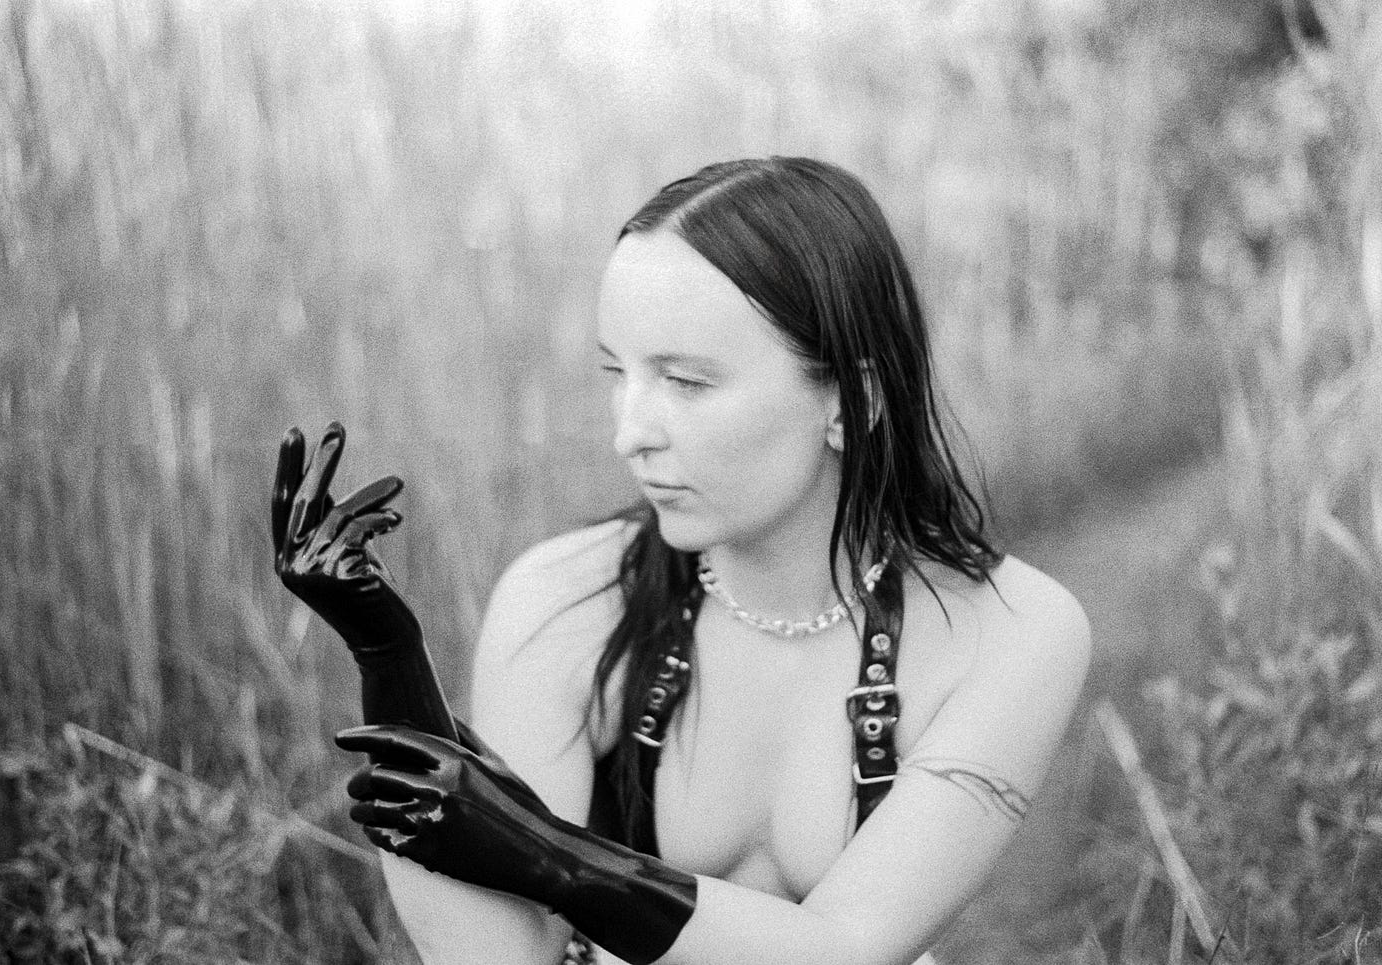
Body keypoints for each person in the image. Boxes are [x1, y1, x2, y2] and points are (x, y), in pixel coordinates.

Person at [273, 156, 1092, 965]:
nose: (630, 433)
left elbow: (846, 948)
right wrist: (390, 662)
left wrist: (541, 848)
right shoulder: (565, 598)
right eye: (618, 374)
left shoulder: (1010, 629)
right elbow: (497, 958)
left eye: (687, 382)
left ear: (852, 398)